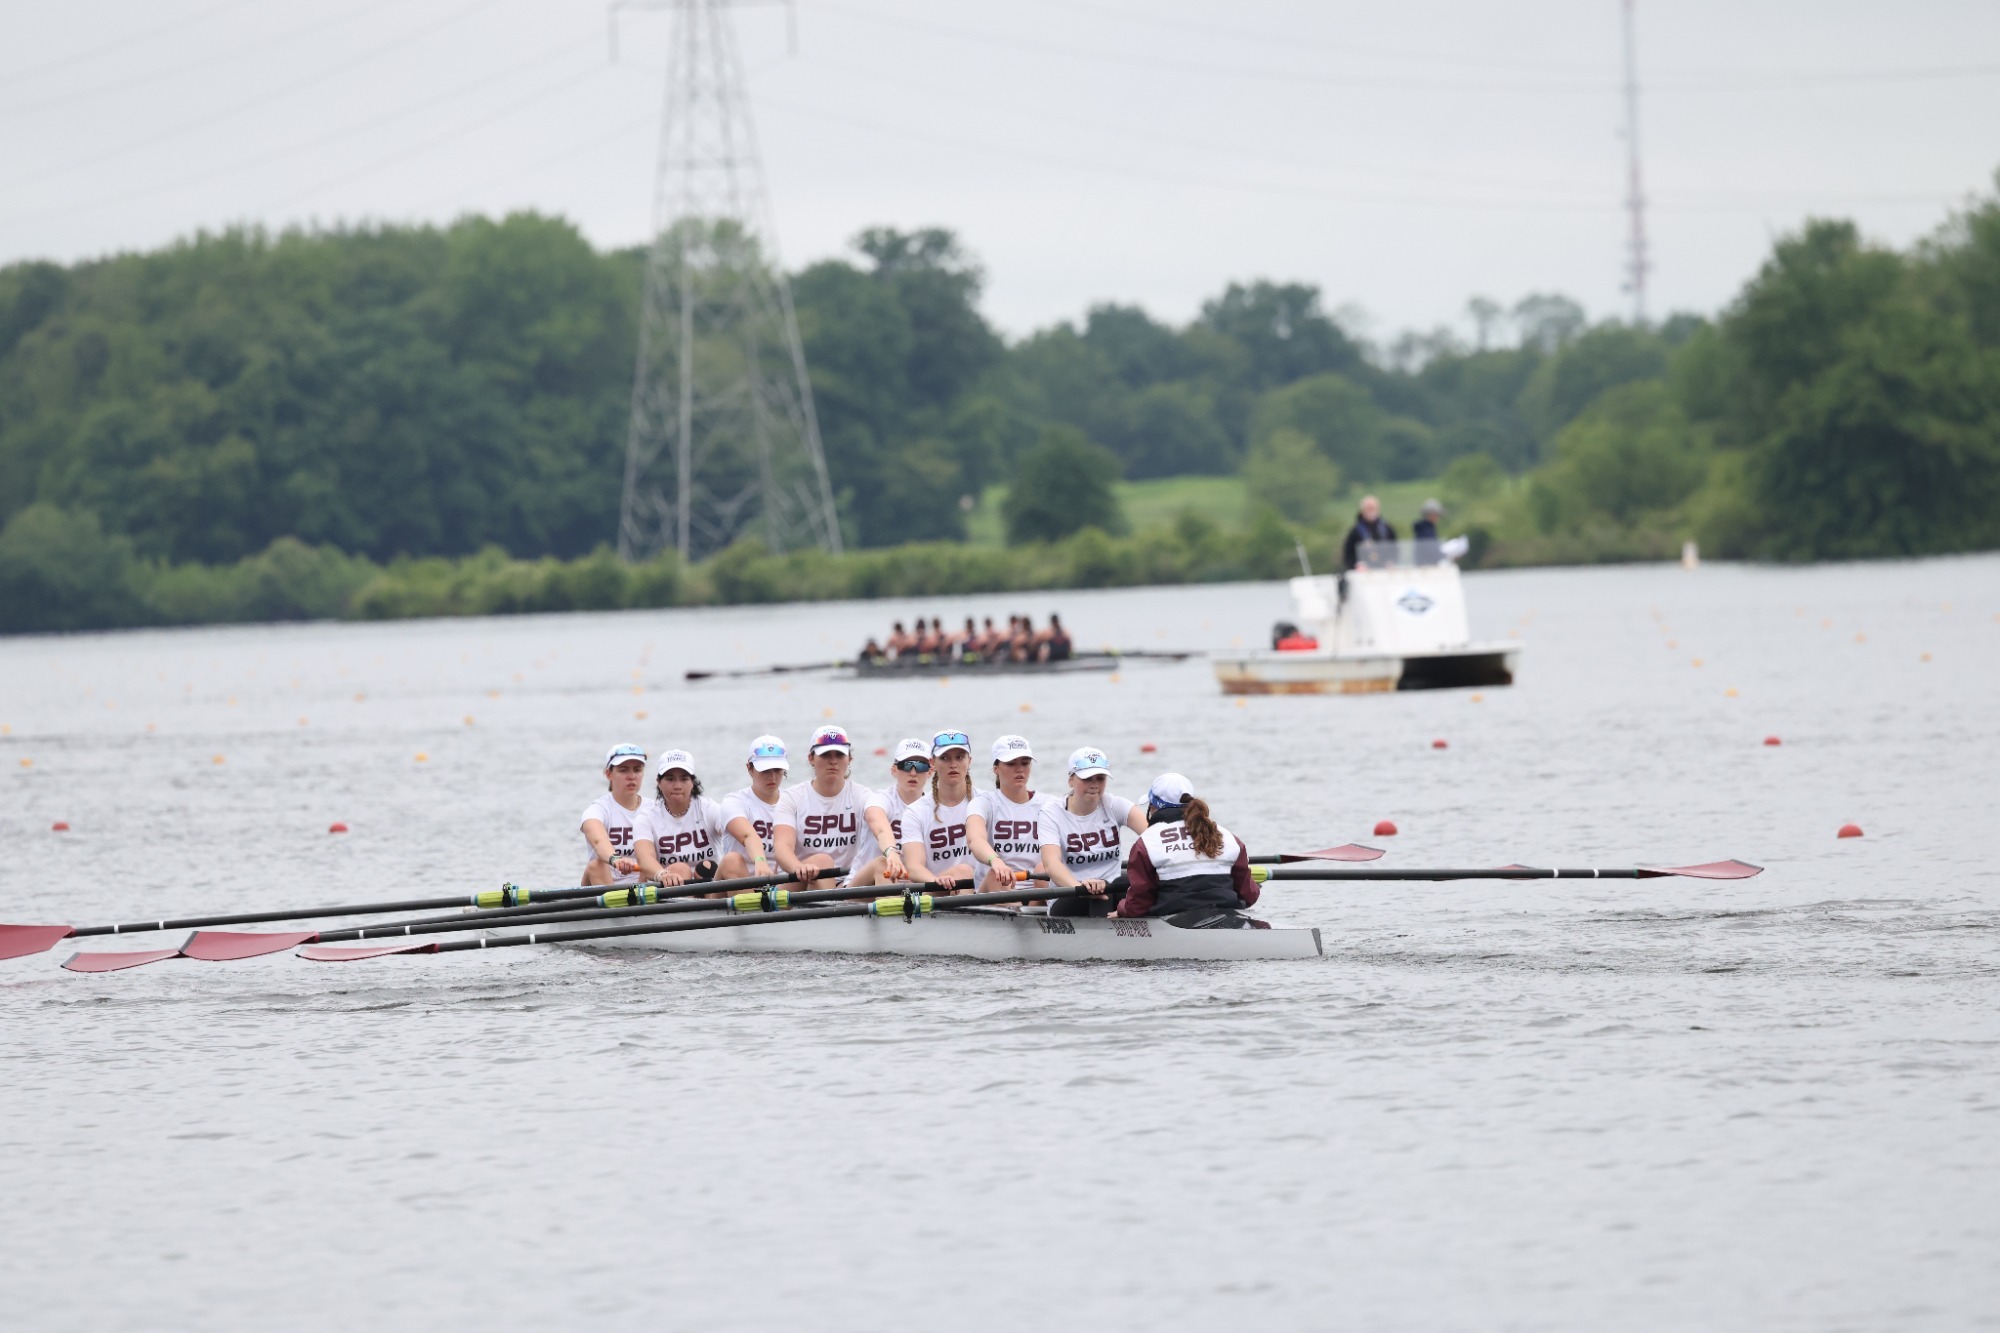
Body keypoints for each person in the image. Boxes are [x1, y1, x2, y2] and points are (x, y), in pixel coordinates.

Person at [1112, 772, 1259, 921]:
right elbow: (1249, 895)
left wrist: (1121, 908)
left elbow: (1139, 905)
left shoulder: (1147, 843)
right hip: (1228, 917)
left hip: (1175, 923)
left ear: (1153, 807)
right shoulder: (1228, 836)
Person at [1041, 747, 1149, 916]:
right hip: (1069, 895)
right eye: (1087, 779)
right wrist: (1082, 887)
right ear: (1071, 780)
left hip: (1111, 888)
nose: (1094, 784)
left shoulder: (1115, 805)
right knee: (1101, 895)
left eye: (1100, 778)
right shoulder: (1051, 813)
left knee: (1131, 884)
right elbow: (1051, 865)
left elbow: (1155, 839)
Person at [773, 725, 872, 884]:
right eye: (825, 755)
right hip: (800, 881)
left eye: (839, 755)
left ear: (849, 759)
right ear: (811, 758)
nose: (833, 761)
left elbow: (880, 829)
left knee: (880, 865)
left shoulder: (863, 796)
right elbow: (782, 848)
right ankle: (833, 906)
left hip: (846, 884)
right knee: (822, 861)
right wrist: (798, 867)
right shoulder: (792, 798)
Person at [967, 734, 1059, 894]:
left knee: (1045, 868)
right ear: (996, 769)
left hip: (1036, 893)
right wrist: (995, 861)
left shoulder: (1049, 803)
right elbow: (975, 840)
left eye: (1025, 763)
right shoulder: (983, 803)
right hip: (995, 889)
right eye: (1011, 763)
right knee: (997, 875)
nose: (1020, 769)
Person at [634, 749, 726, 887]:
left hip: (710, 886)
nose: (677, 786)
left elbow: (739, 834)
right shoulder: (646, 817)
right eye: (670, 779)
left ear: (692, 782)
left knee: (708, 867)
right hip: (671, 885)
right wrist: (663, 874)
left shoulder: (709, 809)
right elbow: (644, 859)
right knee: (679, 869)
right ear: (658, 782)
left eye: (684, 779)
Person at [900, 729, 980, 890]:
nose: (953, 764)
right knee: (963, 871)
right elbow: (914, 868)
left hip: (983, 889)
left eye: (959, 757)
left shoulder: (987, 803)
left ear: (969, 761)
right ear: (933, 763)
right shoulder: (916, 812)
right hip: (937, 891)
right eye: (945, 758)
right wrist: (938, 882)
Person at [847, 738, 930, 886]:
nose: (913, 772)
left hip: (910, 886)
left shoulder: (934, 808)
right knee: (884, 863)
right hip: (864, 888)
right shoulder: (880, 799)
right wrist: (891, 852)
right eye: (906, 765)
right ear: (894, 770)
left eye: (920, 766)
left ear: (930, 772)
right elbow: (880, 829)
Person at [717, 735, 790, 881]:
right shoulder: (734, 802)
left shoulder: (793, 802)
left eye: (777, 769)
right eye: (765, 770)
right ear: (749, 768)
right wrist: (760, 861)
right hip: (740, 882)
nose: (773, 777)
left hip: (779, 885)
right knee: (732, 860)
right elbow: (748, 836)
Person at [580, 743, 648, 887]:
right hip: (605, 882)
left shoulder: (654, 809)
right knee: (596, 865)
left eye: (637, 770)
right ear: (609, 774)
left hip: (644, 883)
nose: (632, 776)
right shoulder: (598, 809)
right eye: (623, 770)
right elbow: (598, 841)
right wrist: (616, 860)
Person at [1341, 494, 1398, 570]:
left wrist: (1392, 561)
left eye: (1373, 508)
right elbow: (1348, 553)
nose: (1371, 511)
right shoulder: (1355, 531)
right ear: (1362, 510)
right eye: (1368, 508)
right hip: (1364, 571)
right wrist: (1356, 565)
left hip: (1384, 569)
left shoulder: (1386, 528)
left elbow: (1395, 548)